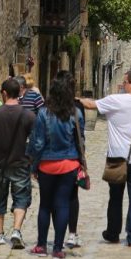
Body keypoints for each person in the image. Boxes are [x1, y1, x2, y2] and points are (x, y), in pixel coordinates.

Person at [80, 69, 131, 248]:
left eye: (125, 82)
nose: (123, 85)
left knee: (115, 197)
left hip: (117, 158)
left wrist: (73, 99)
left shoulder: (115, 100)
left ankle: (113, 233)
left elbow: (90, 105)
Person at [27, 75, 86, 258]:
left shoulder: (44, 113)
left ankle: (41, 245)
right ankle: (58, 248)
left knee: (45, 205)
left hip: (47, 165)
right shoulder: (76, 113)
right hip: (69, 164)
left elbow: (37, 143)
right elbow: (80, 140)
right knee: (62, 206)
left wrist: (34, 165)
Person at [0, 77, 36, 249]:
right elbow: (34, 141)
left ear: (4, 94)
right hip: (20, 162)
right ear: (20, 93)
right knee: (21, 197)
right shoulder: (28, 115)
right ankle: (16, 230)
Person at [54, 71, 86, 250]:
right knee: (72, 197)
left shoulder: (47, 107)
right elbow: (80, 137)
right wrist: (82, 160)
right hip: (71, 158)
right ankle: (72, 235)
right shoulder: (77, 108)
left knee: (52, 200)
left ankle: (55, 237)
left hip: (49, 160)